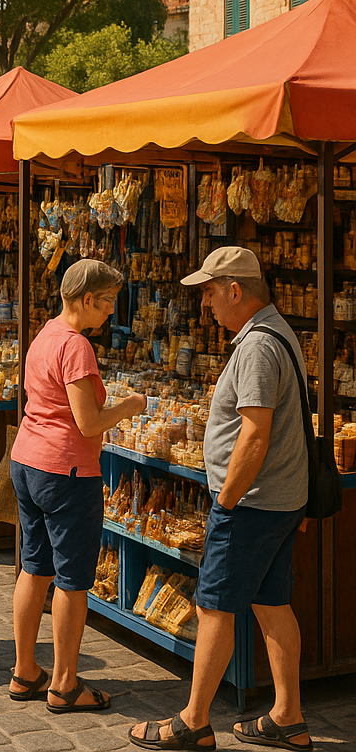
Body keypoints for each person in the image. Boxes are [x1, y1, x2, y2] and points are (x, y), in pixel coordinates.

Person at [130, 247, 310, 751]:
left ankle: (193, 720)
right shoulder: (277, 332)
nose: (205, 303)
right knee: (272, 604)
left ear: (235, 290)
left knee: (214, 607)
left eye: (209, 292)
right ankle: (288, 717)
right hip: (278, 498)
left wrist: (225, 501)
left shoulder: (255, 346)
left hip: (252, 502)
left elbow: (255, 434)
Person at [8, 259, 145, 712]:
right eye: (107, 303)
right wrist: (128, 405)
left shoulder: (45, 334)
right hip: (65, 471)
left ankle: (25, 671)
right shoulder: (76, 345)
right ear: (86, 299)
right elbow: (88, 423)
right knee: (71, 580)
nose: (110, 312)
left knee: (34, 567)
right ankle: (65, 684)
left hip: (28, 461)